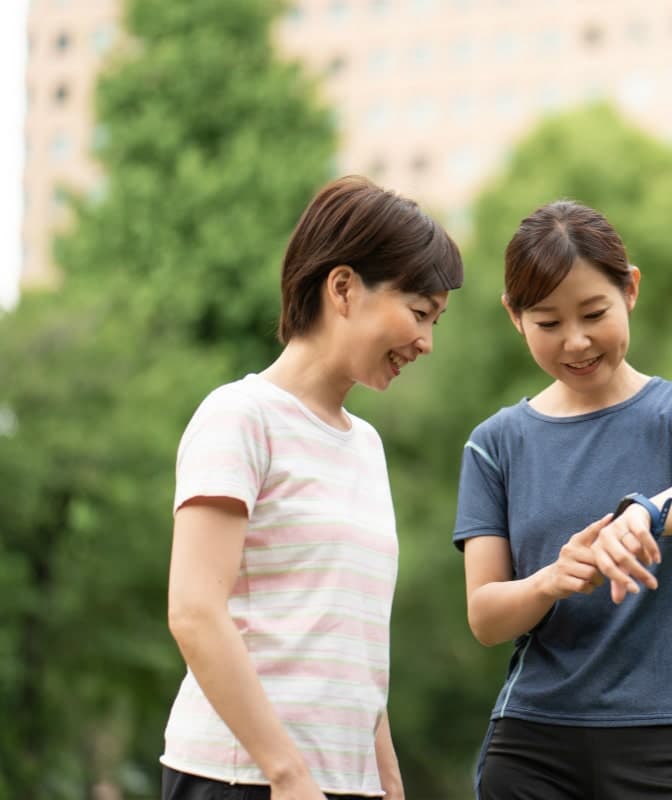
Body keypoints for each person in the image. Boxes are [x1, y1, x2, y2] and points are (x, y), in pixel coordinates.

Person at [162, 176, 464, 800]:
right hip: (243, 776)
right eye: (418, 312)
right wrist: (286, 773)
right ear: (344, 288)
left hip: (336, 783)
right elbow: (194, 611)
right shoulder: (240, 416)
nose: (426, 342)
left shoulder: (367, 448)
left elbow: (352, 644)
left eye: (435, 320)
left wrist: (386, 781)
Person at [452, 200, 672, 799]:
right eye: (548, 323)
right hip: (532, 744)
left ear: (631, 289)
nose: (577, 341)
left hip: (669, 735)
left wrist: (645, 511)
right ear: (514, 316)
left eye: (594, 312)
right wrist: (551, 580)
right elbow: (485, 616)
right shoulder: (496, 444)